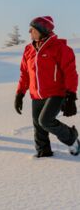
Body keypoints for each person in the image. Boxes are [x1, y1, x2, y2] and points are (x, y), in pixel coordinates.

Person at [14, 16, 80, 157]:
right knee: (38, 126)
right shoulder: (29, 50)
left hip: (56, 93)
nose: (29, 31)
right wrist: (20, 93)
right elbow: (25, 74)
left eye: (33, 29)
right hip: (36, 94)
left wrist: (71, 95)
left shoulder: (60, 48)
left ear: (42, 30)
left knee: (45, 121)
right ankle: (43, 152)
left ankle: (71, 138)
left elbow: (70, 73)